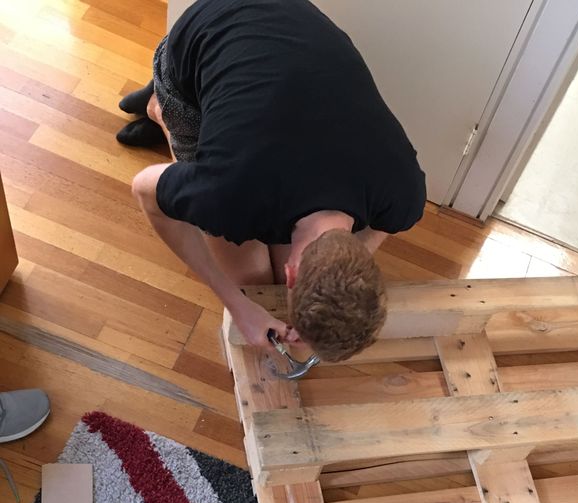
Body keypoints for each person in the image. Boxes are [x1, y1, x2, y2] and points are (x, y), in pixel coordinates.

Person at [123, 0, 427, 361]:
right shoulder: (228, 192)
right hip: (208, 27)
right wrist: (237, 305)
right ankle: (158, 108)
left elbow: (378, 231)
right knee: (250, 281)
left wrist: (333, 285)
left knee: (261, 274)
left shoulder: (404, 195)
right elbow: (144, 189)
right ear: (292, 273)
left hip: (285, 37)